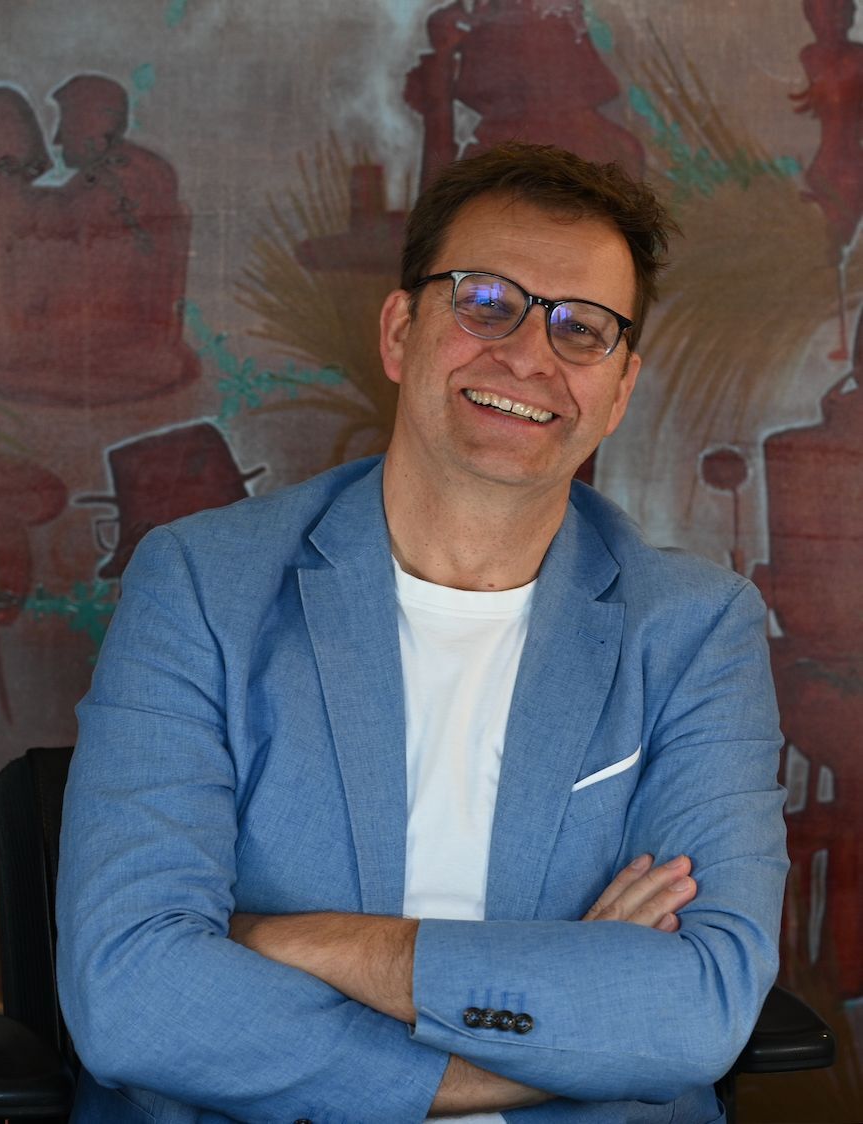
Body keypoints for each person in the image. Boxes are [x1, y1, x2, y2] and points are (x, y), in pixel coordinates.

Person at [57, 142, 788, 1123]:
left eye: (582, 328)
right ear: (401, 331)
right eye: (486, 302)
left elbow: (698, 1008)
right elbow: (131, 995)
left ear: (618, 390)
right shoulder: (198, 585)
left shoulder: (697, 630)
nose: (529, 357)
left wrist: (292, 938)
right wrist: (538, 1050)